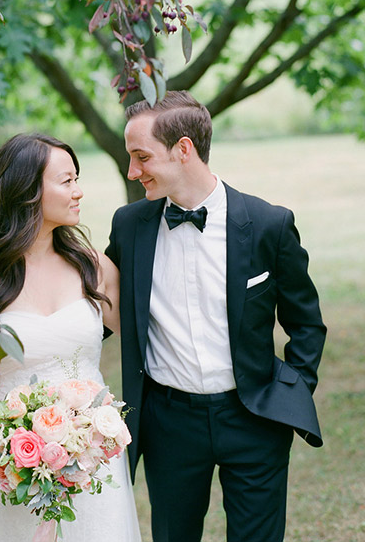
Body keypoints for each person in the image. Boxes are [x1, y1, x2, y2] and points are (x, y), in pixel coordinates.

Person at [105, 90, 327, 542]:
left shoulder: (269, 223)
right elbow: (99, 308)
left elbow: (305, 321)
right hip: (168, 422)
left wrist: (292, 389)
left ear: (183, 149)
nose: (132, 171)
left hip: (254, 417)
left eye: (141, 157)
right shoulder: (129, 226)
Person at [0, 133, 141, 542]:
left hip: (95, 459)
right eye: (67, 180)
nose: (78, 192)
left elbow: (144, 342)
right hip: (15, 466)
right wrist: (14, 447)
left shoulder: (97, 269)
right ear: (28, 190)